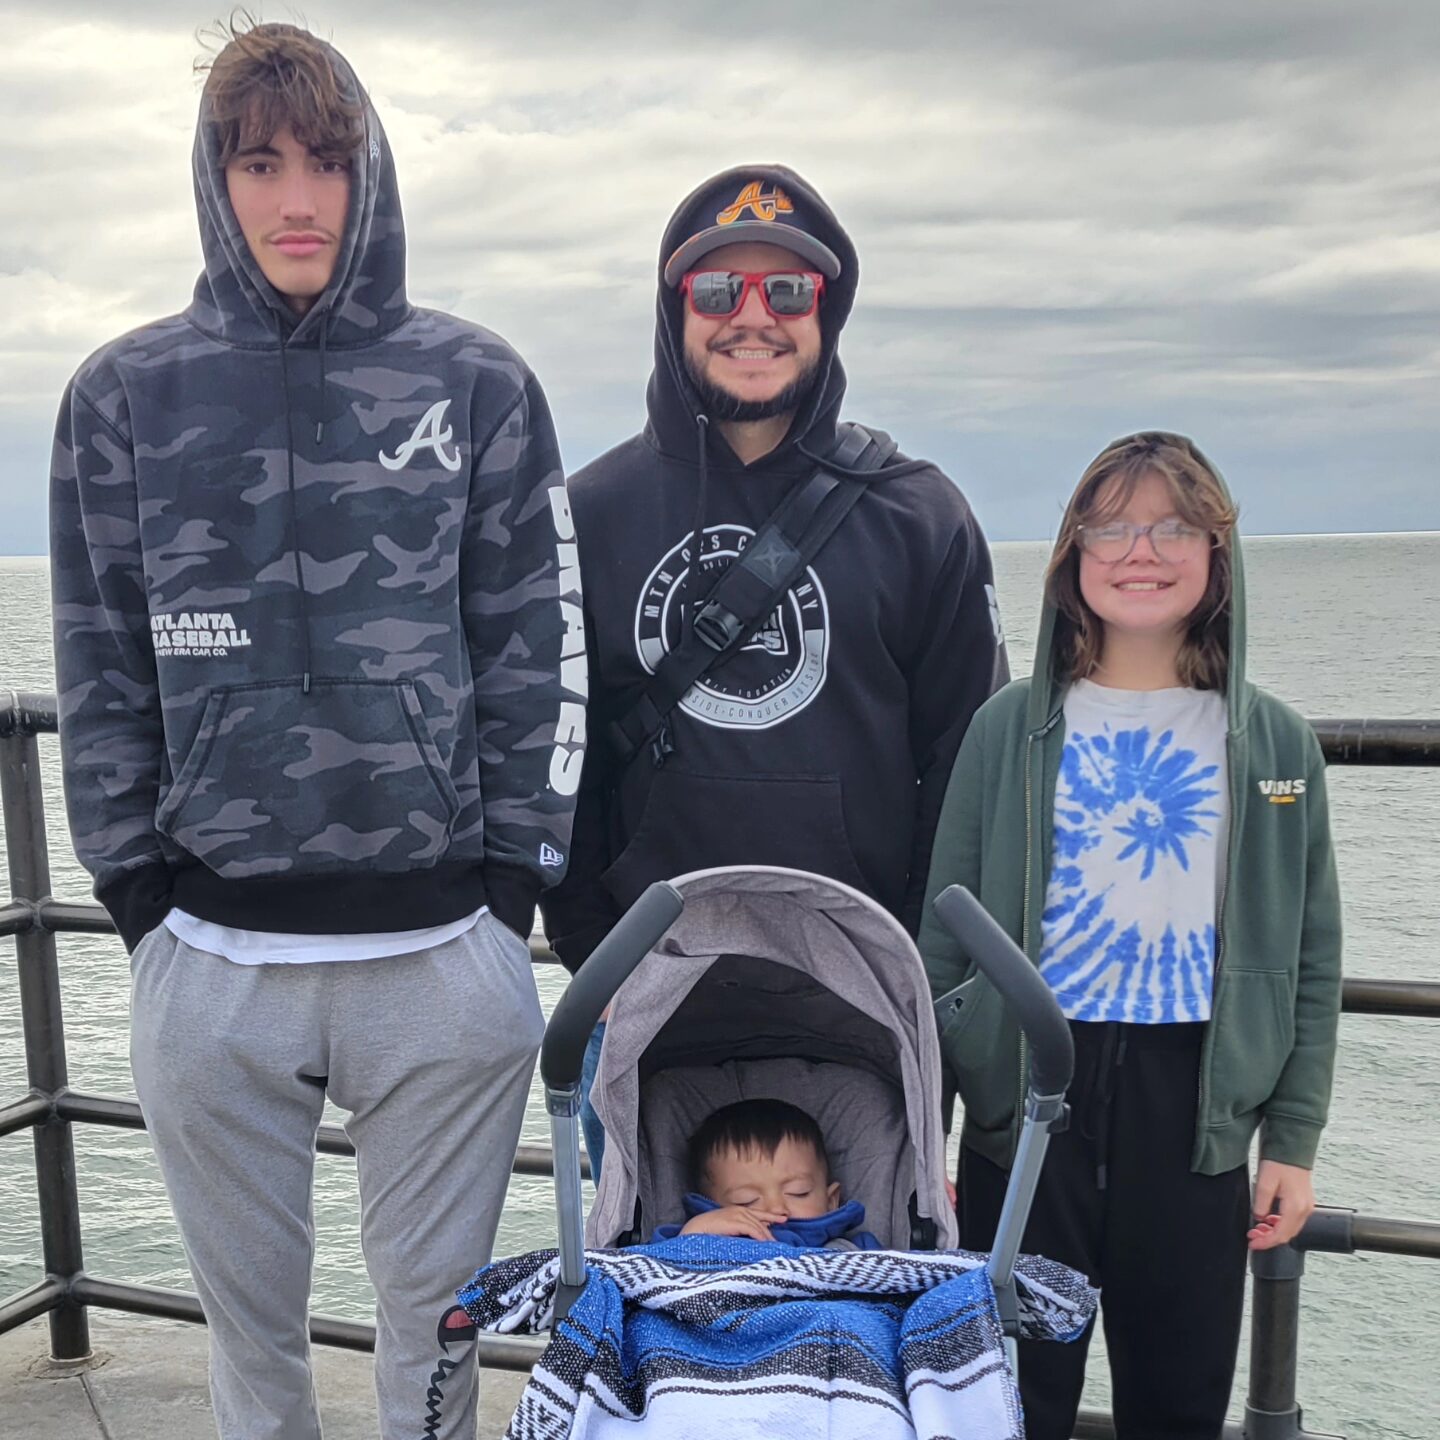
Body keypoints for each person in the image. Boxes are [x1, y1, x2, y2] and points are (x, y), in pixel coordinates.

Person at [49, 21, 580, 1440]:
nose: (298, 199)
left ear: (373, 174)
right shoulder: (121, 396)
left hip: (441, 955)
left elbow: (537, 649)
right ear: (214, 181)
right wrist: (142, 901)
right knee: (253, 1349)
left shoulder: (477, 384)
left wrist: (509, 892)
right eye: (260, 164)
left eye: (328, 164)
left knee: (437, 1341)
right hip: (212, 960)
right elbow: (99, 659)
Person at [541, 165, 1007, 1176]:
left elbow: (966, 780)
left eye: (787, 290)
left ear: (827, 311)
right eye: (718, 290)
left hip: (865, 1008)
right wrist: (593, 962)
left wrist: (921, 982)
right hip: (646, 1003)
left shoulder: (922, 517)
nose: (753, 316)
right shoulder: (587, 514)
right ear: (675, 309)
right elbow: (557, 760)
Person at [918, 432, 1342, 1439]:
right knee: (1011, 1404)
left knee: (1178, 1403)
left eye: (1174, 528)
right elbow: (945, 940)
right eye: (1110, 527)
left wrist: (1291, 1142)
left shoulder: (1274, 742)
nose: (1140, 551)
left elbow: (1311, 953)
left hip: (1194, 1113)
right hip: (1025, 1098)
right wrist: (924, 1128)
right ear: (1072, 554)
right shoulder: (1006, 728)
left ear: (1217, 555)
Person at [651, 1098, 882, 1249]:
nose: (775, 1208)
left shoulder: (854, 1250)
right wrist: (696, 1232)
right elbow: (659, 1278)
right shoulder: (702, 1241)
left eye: (798, 1192)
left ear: (831, 1200)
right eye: (746, 1200)